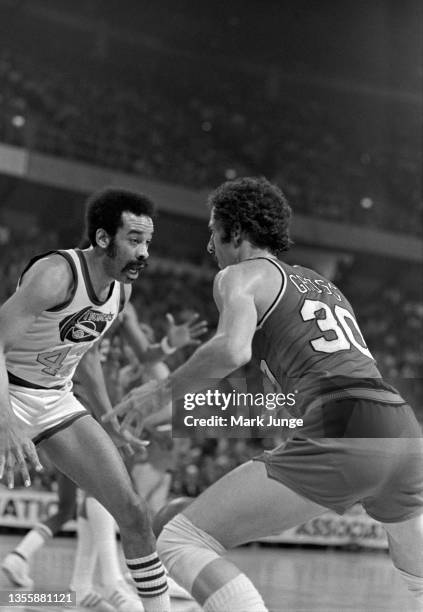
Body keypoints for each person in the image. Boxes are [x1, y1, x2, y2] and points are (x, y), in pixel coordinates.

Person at [107, 177, 423, 611]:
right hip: (402, 427)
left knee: (181, 537)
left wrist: (159, 391)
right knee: (420, 577)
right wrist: (164, 415)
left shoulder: (239, 276)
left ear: (234, 232)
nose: (209, 247)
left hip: (344, 422)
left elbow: (230, 351)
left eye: (212, 231)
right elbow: (256, 395)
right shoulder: (320, 285)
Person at [0, 187, 180, 612]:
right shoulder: (56, 273)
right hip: (7, 387)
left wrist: (108, 418)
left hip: (55, 401)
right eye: (134, 240)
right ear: (103, 239)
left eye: (148, 242)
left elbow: (85, 353)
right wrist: (6, 417)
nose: (144, 253)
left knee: (132, 512)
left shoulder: (121, 292)